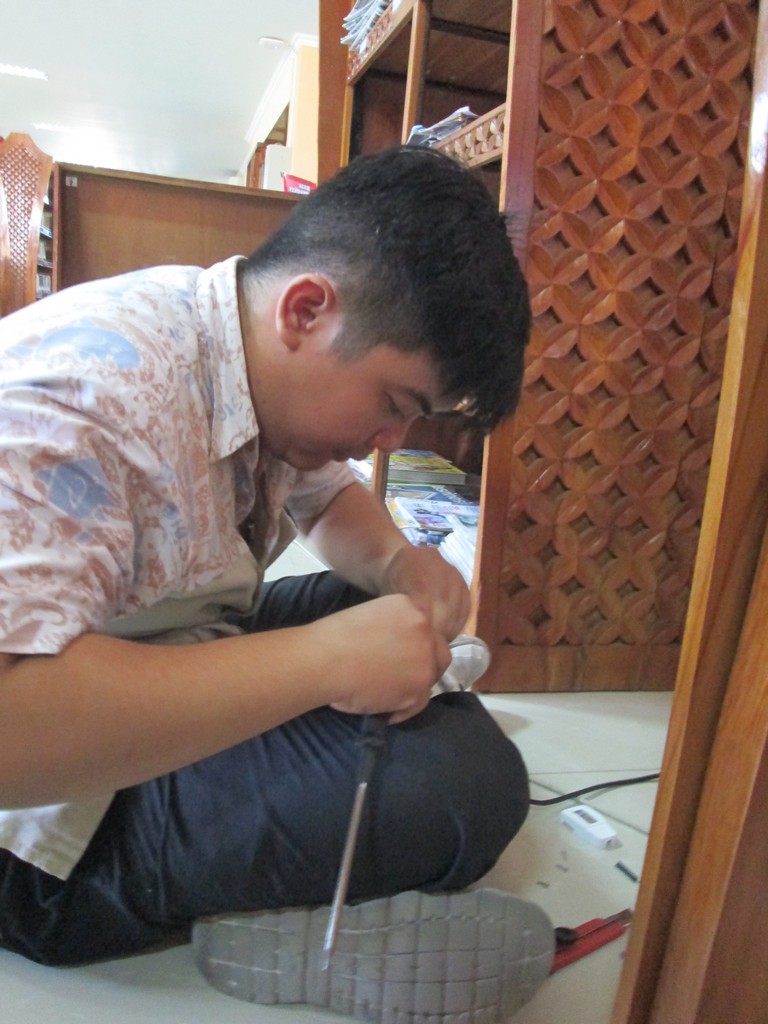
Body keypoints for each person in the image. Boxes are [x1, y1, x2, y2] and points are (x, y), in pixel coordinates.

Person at [0, 146, 548, 1009]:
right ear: (307, 309)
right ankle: (280, 916)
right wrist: (327, 663)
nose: (391, 442)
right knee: (467, 787)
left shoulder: (229, 334)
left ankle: (383, 701)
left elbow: (328, 495)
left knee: (371, 607)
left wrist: (400, 563)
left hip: (159, 632)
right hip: (40, 830)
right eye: (394, 405)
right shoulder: (88, 402)